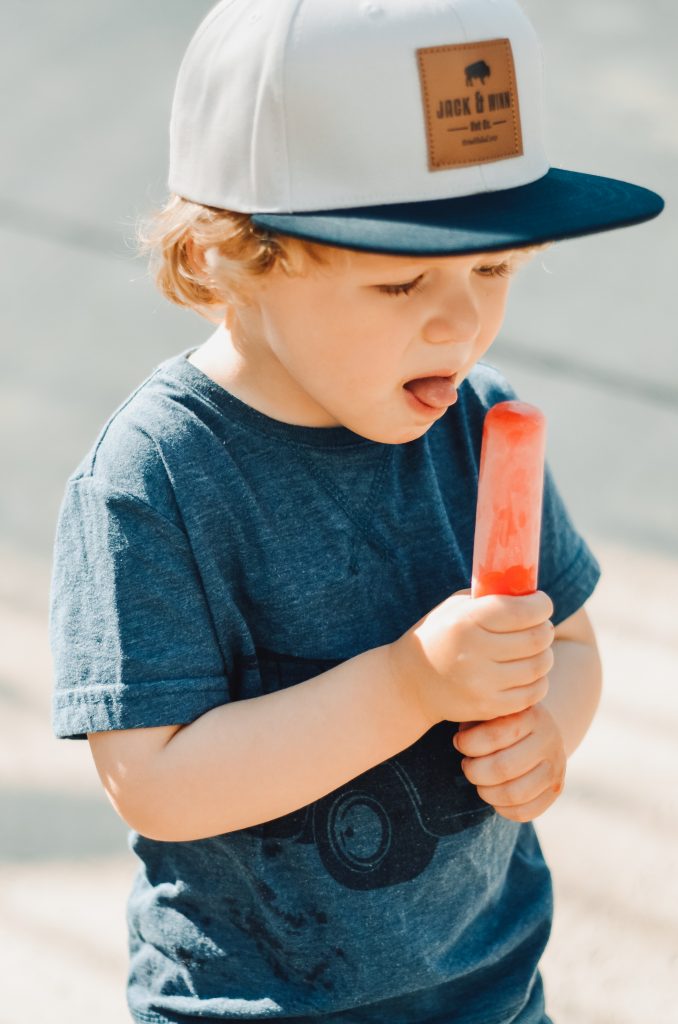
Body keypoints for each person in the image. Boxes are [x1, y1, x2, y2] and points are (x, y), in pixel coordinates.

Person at [49, 1, 664, 1022]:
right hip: (250, 1003)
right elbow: (152, 779)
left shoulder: (479, 425)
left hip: (491, 985)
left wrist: (548, 724)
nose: (461, 319)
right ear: (228, 260)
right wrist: (410, 683)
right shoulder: (154, 478)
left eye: (493, 268)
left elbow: (570, 641)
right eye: (401, 279)